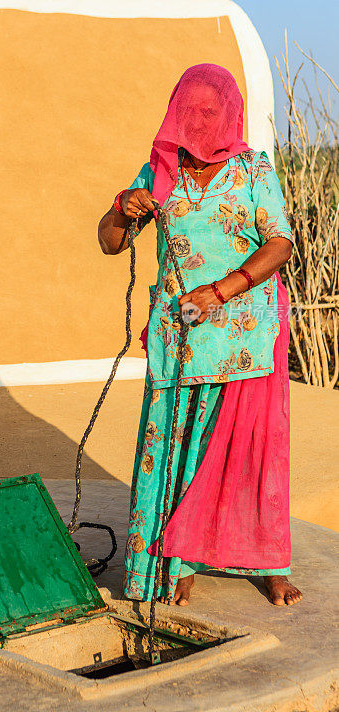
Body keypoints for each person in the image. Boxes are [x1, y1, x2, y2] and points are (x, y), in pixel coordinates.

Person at [98, 64, 303, 607]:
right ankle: (173, 560)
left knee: (249, 453)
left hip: (246, 335)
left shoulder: (253, 170)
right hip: (179, 339)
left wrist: (221, 290)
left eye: (210, 112)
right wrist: (122, 207)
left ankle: (268, 562)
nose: (199, 122)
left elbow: (280, 243)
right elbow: (110, 243)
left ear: (229, 114)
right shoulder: (160, 172)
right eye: (190, 111)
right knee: (170, 449)